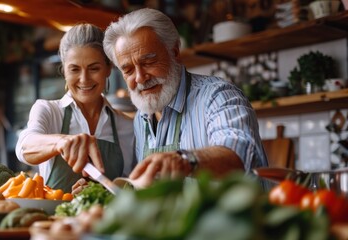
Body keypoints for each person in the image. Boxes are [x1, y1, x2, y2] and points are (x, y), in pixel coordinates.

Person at [103, 8, 269, 188]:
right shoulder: (141, 118)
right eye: (128, 70)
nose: (140, 78)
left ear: (174, 52)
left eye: (149, 62)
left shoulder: (218, 95)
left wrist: (184, 160)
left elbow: (240, 156)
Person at [15, 23, 135, 193]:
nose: (84, 79)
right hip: (53, 219)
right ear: (64, 70)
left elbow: (130, 188)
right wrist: (61, 142)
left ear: (108, 68)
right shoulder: (49, 111)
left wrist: (97, 192)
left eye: (94, 68)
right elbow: (24, 146)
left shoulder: (127, 127)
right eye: (74, 69)